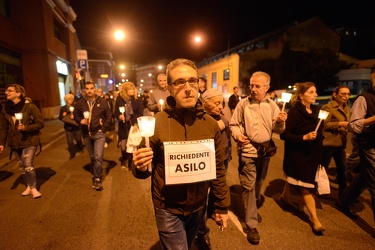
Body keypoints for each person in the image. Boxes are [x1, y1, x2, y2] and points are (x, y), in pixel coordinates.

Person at [132, 58, 230, 250]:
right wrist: (140, 165)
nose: (187, 88)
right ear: (169, 87)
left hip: (198, 206)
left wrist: (221, 206)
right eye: (179, 82)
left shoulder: (210, 124)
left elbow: (218, 169)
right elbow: (143, 168)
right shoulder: (157, 122)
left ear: (199, 84)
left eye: (192, 81)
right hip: (168, 207)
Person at [230, 71, 287, 245]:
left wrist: (280, 122)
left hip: (265, 152)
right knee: (248, 185)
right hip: (248, 150)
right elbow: (234, 124)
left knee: (259, 182)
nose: (253, 89)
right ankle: (251, 223)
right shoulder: (243, 104)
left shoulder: (273, 106)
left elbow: (278, 131)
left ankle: (251, 209)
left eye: (257, 86)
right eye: (251, 85)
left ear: (267, 87)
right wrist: (238, 135)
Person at [279, 82, 326, 234]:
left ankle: (285, 197)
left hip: (312, 155)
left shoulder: (318, 111)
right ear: (301, 95)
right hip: (298, 156)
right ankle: (315, 219)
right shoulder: (294, 113)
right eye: (311, 92)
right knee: (305, 187)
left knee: (294, 180)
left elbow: (321, 131)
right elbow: (284, 135)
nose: (315, 95)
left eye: (315, 92)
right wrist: (304, 137)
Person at [336, 67, 375, 222]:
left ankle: (343, 201)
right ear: (373, 77)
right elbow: (354, 125)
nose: (345, 96)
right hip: (369, 145)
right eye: (342, 94)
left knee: (365, 178)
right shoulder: (364, 98)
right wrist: (372, 120)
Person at [196, 88, 232, 250]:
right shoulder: (200, 120)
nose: (220, 106)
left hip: (222, 159)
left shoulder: (223, 118)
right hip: (205, 163)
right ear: (205, 103)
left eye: (221, 103)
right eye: (216, 103)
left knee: (217, 191)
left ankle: (212, 212)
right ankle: (202, 233)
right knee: (201, 199)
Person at [0, 83, 44, 198]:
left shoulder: (29, 106)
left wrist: (26, 128)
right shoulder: (5, 108)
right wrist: (1, 143)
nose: (7, 93)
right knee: (22, 166)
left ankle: (34, 188)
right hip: (14, 142)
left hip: (29, 140)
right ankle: (28, 186)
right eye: (6, 91)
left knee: (27, 164)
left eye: (10, 91)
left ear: (18, 93)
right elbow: (3, 127)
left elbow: (40, 123)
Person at [74, 82, 112, 190]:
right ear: (84, 90)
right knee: (92, 157)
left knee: (98, 157)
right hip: (86, 133)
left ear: (95, 89)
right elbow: (76, 115)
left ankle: (97, 178)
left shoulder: (102, 102)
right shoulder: (80, 102)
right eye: (87, 88)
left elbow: (109, 116)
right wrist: (80, 120)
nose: (89, 90)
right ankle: (96, 169)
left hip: (99, 133)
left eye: (91, 88)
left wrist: (103, 128)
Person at [320, 86, 351, 198]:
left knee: (343, 169)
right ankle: (320, 190)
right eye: (342, 94)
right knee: (323, 168)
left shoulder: (347, 108)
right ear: (335, 94)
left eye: (347, 94)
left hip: (340, 143)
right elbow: (322, 124)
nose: (345, 96)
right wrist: (339, 124)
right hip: (328, 142)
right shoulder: (327, 107)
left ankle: (344, 194)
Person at [114, 82, 143, 170]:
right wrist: (119, 116)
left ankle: (131, 164)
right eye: (130, 89)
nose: (132, 91)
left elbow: (140, 113)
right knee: (123, 146)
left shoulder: (137, 101)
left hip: (133, 126)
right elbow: (115, 113)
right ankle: (124, 160)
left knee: (133, 145)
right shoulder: (119, 100)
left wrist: (135, 124)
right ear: (125, 91)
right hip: (123, 126)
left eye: (133, 89)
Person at [59, 93, 83, 159]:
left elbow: (80, 115)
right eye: (69, 99)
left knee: (78, 139)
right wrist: (62, 115)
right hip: (68, 127)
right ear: (66, 100)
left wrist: (74, 116)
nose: (71, 100)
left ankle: (80, 148)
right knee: (70, 141)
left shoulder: (76, 107)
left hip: (76, 126)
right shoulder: (63, 108)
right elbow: (60, 117)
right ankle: (72, 153)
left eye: (72, 98)